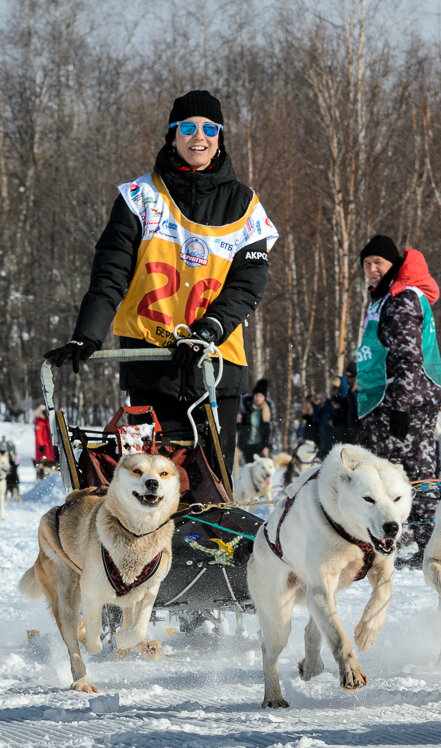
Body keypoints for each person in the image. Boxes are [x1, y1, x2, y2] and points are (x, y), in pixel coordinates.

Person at [43, 90, 278, 482]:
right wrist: (87, 334)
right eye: (187, 128)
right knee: (152, 487)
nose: (198, 137)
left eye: (209, 128)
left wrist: (209, 330)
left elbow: (249, 283)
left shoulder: (247, 205)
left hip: (216, 366)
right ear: (172, 136)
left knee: (212, 487)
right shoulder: (140, 197)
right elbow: (110, 273)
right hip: (151, 365)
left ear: (220, 137)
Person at [353, 235, 441, 564]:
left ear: (394, 265)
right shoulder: (387, 298)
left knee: (401, 476)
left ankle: (422, 542)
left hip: (404, 403)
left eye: (379, 263)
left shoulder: (402, 298)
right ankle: (412, 540)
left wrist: (401, 408)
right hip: (392, 399)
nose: (372, 269)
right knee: (396, 474)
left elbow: (409, 358)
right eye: (367, 264)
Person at [237, 379, 272, 463]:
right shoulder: (245, 408)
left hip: (261, 446)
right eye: (256, 395)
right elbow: (239, 429)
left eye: (260, 396)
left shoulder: (267, 411)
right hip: (246, 445)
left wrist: (267, 446)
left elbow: (269, 431)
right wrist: (239, 421)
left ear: (264, 398)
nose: (258, 398)